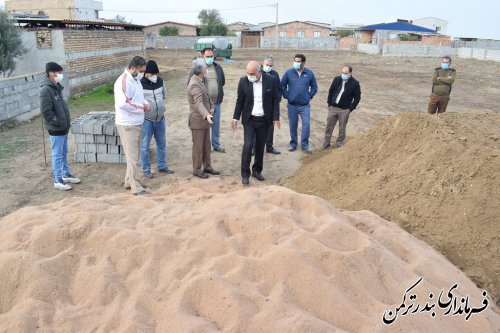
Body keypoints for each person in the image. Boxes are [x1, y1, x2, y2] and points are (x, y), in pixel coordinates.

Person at [232, 61, 280, 185]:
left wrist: (276, 117)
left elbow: (275, 100)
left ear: (260, 71)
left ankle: (257, 171)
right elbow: (240, 100)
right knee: (248, 146)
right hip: (250, 120)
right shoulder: (243, 81)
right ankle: (245, 174)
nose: (249, 76)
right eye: (247, 73)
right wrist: (235, 118)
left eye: (252, 73)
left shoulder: (271, 80)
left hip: (264, 120)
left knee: (260, 147)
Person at [40, 62, 81, 191]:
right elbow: (46, 112)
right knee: (57, 154)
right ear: (51, 73)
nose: (60, 75)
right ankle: (58, 180)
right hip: (55, 128)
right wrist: (57, 122)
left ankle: (65, 174)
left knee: (63, 152)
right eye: (58, 72)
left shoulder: (56, 87)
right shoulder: (46, 90)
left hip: (63, 127)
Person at [114, 56, 150, 196]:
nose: (142, 73)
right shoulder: (123, 81)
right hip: (127, 124)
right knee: (133, 157)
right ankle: (136, 187)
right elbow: (123, 103)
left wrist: (145, 103)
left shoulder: (136, 80)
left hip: (136, 122)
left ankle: (130, 181)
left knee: (133, 155)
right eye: (141, 70)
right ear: (133, 68)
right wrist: (142, 108)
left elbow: (138, 98)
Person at [140, 60, 175, 178]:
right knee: (145, 146)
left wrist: (159, 107)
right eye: (152, 74)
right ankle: (146, 170)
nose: (155, 76)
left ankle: (162, 166)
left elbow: (164, 95)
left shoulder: (160, 81)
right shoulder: (140, 84)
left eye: (156, 74)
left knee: (161, 143)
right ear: (146, 74)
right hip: (146, 120)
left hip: (160, 118)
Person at [187, 58, 220, 179]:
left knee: (206, 145)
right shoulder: (194, 84)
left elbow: (207, 97)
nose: (207, 68)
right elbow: (199, 103)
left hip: (205, 121)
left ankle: (207, 166)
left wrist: (211, 107)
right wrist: (206, 114)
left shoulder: (201, 80)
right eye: (205, 67)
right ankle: (197, 169)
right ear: (200, 70)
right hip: (197, 121)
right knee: (198, 147)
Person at [189, 47, 226, 153]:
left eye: (211, 56)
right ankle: (206, 147)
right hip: (203, 104)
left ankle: (216, 145)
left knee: (216, 125)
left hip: (216, 103)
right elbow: (191, 84)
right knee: (204, 126)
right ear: (202, 56)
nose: (210, 58)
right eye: (207, 56)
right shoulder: (197, 69)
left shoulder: (218, 67)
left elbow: (222, 82)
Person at [281, 53, 318, 153]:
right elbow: (282, 86)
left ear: (303, 62)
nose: (296, 63)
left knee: (306, 124)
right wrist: (287, 95)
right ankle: (293, 144)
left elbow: (314, 87)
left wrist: (309, 96)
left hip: (304, 105)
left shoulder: (309, 73)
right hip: (292, 105)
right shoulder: (288, 73)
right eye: (295, 61)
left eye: (298, 61)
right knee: (293, 125)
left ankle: (304, 145)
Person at [323, 65, 361, 149]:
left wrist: (350, 109)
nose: (343, 74)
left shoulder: (355, 83)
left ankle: (339, 143)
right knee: (329, 126)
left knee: (342, 128)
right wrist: (329, 104)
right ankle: (326, 142)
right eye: (342, 73)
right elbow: (331, 91)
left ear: (350, 73)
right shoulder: (337, 79)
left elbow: (357, 98)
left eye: (346, 73)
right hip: (333, 108)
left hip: (344, 110)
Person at [252, 55, 282, 155]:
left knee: (270, 127)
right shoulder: (257, 73)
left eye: (270, 65)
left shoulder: (275, 75)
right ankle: (254, 148)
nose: (268, 67)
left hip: (270, 106)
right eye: (267, 65)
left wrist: (278, 98)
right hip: (259, 105)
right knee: (257, 128)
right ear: (262, 63)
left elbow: (279, 88)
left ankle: (269, 146)